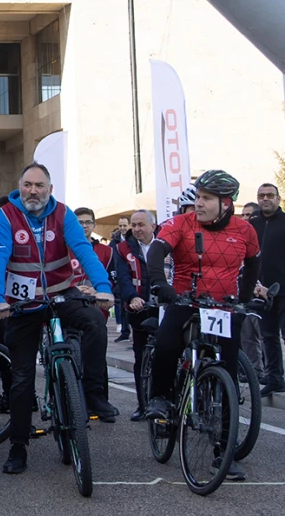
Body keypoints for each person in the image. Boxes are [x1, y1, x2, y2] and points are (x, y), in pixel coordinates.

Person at [0, 163, 116, 475]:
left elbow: (84, 251)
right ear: (20, 187)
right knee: (21, 379)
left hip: (62, 294)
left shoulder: (64, 214)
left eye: (40, 185)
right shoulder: (6, 215)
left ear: (50, 189)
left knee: (96, 323)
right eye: (28, 185)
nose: (33, 191)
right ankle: (18, 446)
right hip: (23, 303)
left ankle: (91, 394)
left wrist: (103, 288)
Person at [144, 170, 261, 481]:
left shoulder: (245, 230)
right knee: (168, 343)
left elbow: (253, 264)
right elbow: (156, 253)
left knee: (229, 372)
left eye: (206, 199)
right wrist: (159, 284)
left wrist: (245, 299)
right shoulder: (180, 224)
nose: (199, 203)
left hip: (224, 306)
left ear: (226, 203)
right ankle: (160, 397)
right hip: (184, 298)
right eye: (197, 196)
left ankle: (224, 451)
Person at [114, 209, 161, 421]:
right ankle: (143, 404)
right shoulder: (123, 248)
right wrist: (132, 297)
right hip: (138, 308)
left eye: (141, 225)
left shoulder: (164, 244)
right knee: (141, 356)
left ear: (153, 226)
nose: (137, 229)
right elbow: (122, 278)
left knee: (168, 353)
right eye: (134, 225)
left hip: (164, 307)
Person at [250, 183, 285, 396]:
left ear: (278, 199)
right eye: (261, 195)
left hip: (284, 290)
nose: (265, 199)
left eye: (270, 195)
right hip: (260, 292)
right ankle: (275, 378)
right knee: (268, 336)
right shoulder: (252, 225)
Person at [75, 207, 125, 343]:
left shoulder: (107, 251)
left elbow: (114, 278)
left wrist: (98, 291)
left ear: (94, 225)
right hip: (70, 304)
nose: (84, 226)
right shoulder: (63, 248)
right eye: (79, 222)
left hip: (97, 305)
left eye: (88, 222)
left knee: (95, 349)